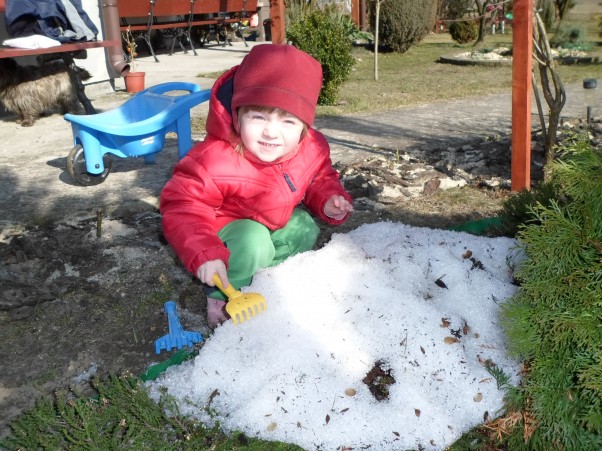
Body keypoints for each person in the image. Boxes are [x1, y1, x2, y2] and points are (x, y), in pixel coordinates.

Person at [160, 44, 354, 328]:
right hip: (222, 232)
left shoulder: (311, 148)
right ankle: (223, 294)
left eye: (287, 121)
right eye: (259, 117)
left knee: (304, 227)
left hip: (269, 220)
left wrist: (328, 198)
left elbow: (318, 177)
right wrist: (204, 252)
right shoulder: (213, 160)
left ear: (304, 127)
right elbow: (183, 206)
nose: (271, 132)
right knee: (252, 241)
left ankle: (264, 282)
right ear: (237, 116)